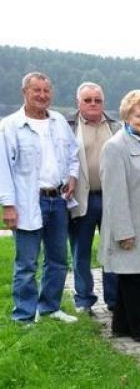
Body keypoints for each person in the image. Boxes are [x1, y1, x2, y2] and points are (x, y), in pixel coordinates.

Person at [0, 72, 80, 324]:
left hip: (57, 200)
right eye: (37, 90)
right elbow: (3, 169)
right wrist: (8, 205)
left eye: (47, 91)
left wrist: (73, 176)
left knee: (58, 259)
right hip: (27, 202)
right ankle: (24, 315)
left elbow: (73, 154)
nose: (43, 95)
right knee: (26, 263)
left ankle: (50, 307)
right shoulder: (10, 126)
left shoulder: (57, 121)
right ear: (24, 92)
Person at [100, 90, 140, 349]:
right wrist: (123, 232)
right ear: (127, 115)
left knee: (134, 277)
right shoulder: (116, 146)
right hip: (131, 226)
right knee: (137, 279)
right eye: (139, 115)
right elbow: (114, 194)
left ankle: (121, 325)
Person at [67, 82, 121, 314]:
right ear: (78, 102)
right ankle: (84, 300)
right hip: (82, 198)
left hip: (110, 198)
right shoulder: (68, 126)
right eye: (87, 100)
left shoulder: (116, 126)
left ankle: (114, 300)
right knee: (81, 252)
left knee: (112, 251)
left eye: (97, 100)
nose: (93, 104)